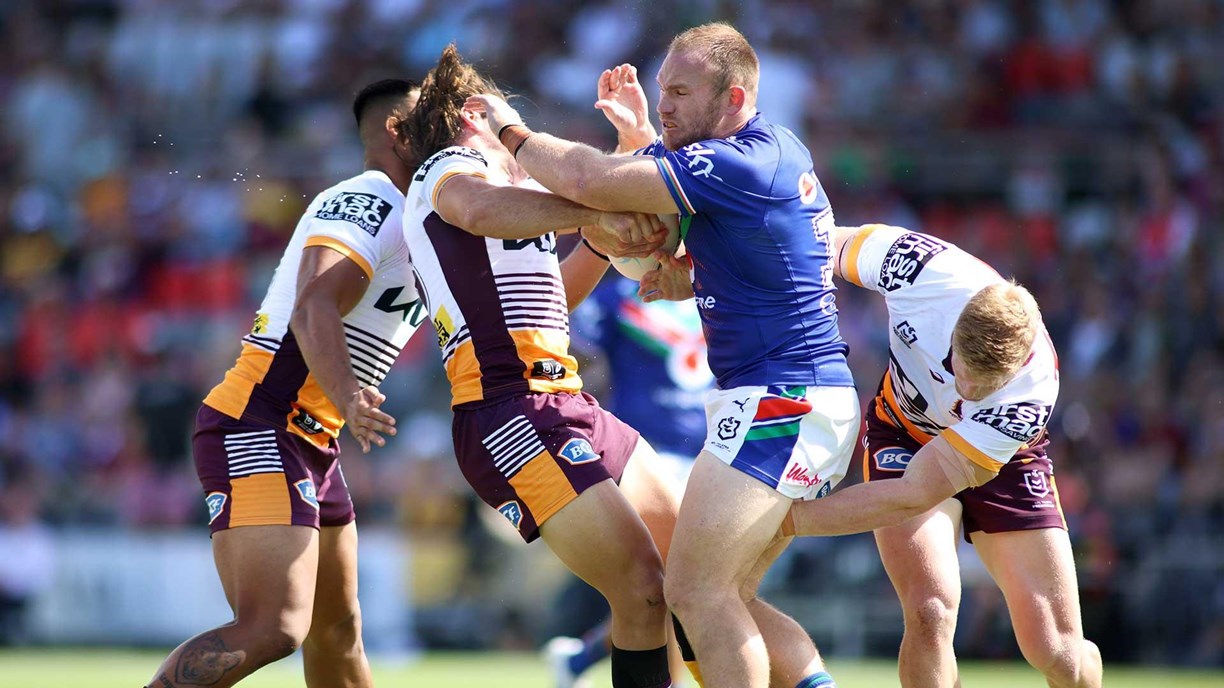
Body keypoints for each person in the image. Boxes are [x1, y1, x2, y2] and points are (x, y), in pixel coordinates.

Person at [470, 22, 858, 688]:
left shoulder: (737, 161)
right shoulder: (766, 151)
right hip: (792, 396)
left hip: (783, 400)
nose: (668, 104)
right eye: (661, 91)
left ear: (733, 98)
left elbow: (590, 179)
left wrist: (506, 125)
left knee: (695, 594)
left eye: (681, 92)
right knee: (722, 593)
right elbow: (713, 242)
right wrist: (688, 256)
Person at [395, 45, 680, 688]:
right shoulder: (448, 168)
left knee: (689, 570)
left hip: (566, 401)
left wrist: (631, 157)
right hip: (509, 409)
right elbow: (481, 210)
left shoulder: (514, 196)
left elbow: (558, 294)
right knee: (642, 587)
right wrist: (597, 212)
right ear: (474, 113)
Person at [146, 79, 425, 688]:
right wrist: (352, 396)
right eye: (439, 117)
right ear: (400, 130)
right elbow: (311, 308)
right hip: (261, 419)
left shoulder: (428, 218)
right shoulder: (370, 196)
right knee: (273, 628)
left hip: (309, 438)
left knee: (338, 631)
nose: (455, 131)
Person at [778, 224, 1104, 688]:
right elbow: (809, 241)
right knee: (930, 609)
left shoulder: (1032, 391)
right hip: (903, 431)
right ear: (956, 325)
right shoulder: (921, 270)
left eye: (982, 387)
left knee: (1057, 651)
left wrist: (787, 521)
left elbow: (915, 493)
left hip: (1004, 457)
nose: (964, 391)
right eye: (958, 369)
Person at [544, 62, 713, 688]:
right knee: (684, 581)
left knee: (696, 584)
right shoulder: (620, 291)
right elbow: (573, 339)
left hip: (714, 440)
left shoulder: (708, 274)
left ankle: (583, 658)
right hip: (651, 439)